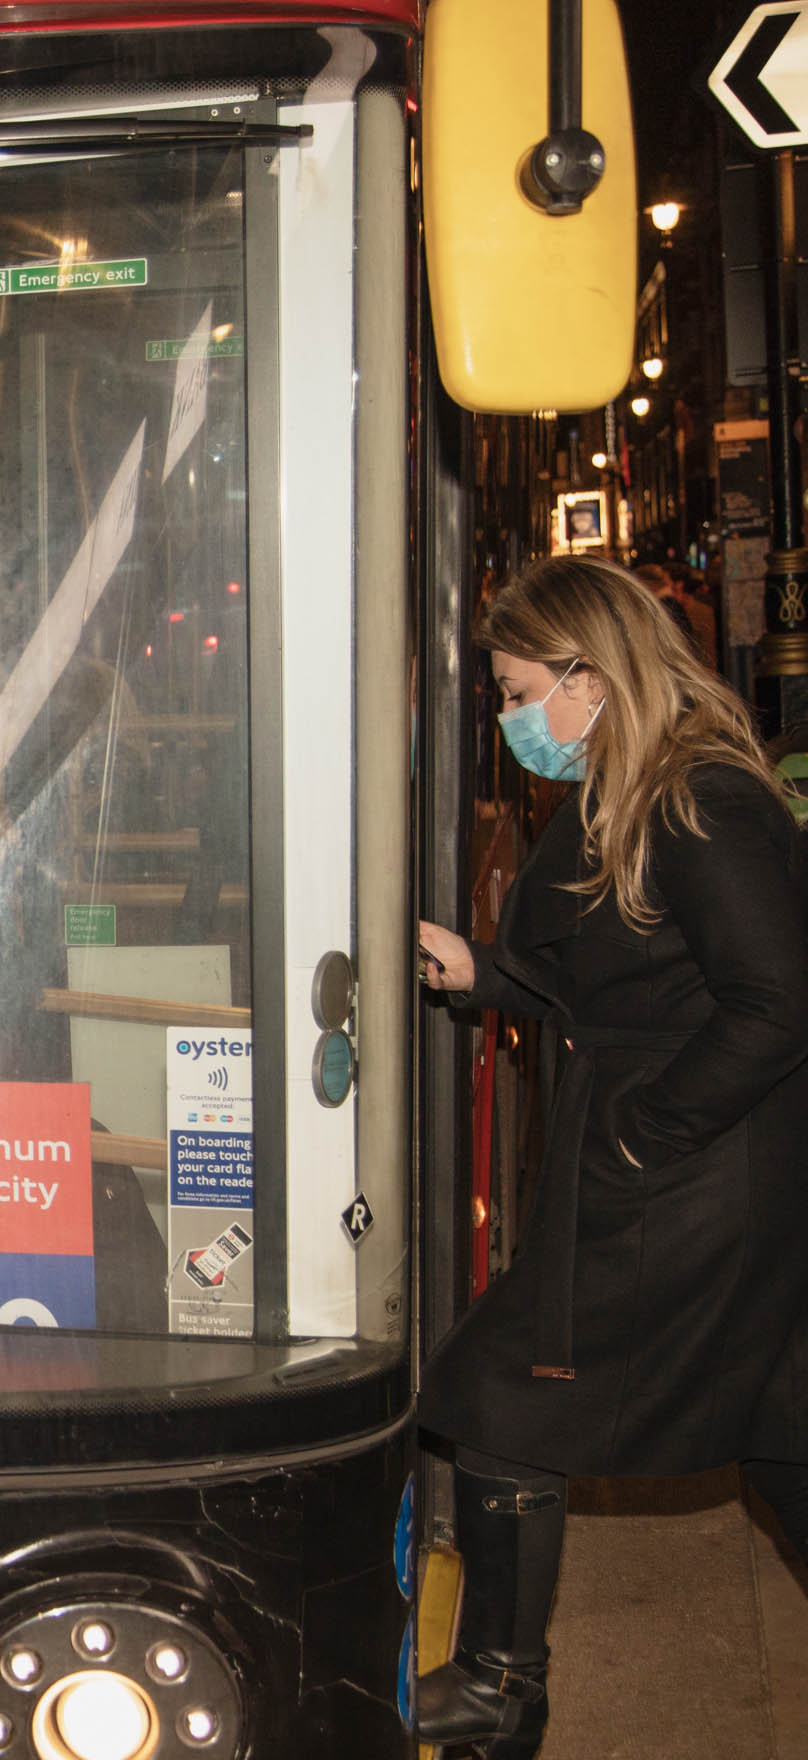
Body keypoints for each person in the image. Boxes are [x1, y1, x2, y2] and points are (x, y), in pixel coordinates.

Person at [415, 555, 808, 1757]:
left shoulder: (700, 798)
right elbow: (611, 975)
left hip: (690, 1183)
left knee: (497, 1392)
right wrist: (480, 969)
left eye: (518, 687)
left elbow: (777, 1001)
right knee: (783, 1425)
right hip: (676, 1172)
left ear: (590, 676)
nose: (508, 715)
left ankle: (496, 1683)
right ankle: (496, 1682)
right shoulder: (623, 786)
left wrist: (649, 1128)